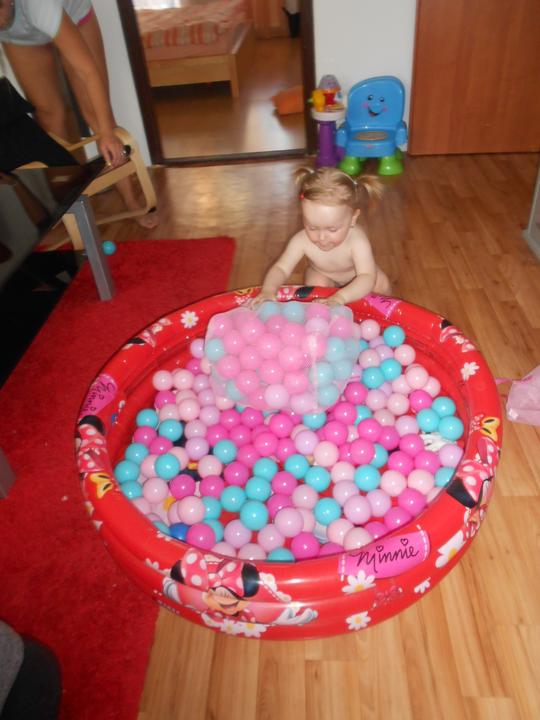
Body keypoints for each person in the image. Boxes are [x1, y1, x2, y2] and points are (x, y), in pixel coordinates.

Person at [0, 0, 158, 228]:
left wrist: (107, 133)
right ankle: (70, 207)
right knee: (49, 116)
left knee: (97, 115)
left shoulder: (39, 5)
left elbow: (88, 71)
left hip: (74, 17)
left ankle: (131, 201)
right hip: (22, 39)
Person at [251, 166, 391, 307]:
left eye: (332, 229)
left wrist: (341, 297)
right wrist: (268, 290)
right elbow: (281, 268)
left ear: (353, 218)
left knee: (380, 284)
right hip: (324, 275)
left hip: (358, 277)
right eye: (312, 227)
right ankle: (324, 312)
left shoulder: (357, 240)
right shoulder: (300, 240)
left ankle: (382, 313)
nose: (322, 237)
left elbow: (366, 276)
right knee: (315, 286)